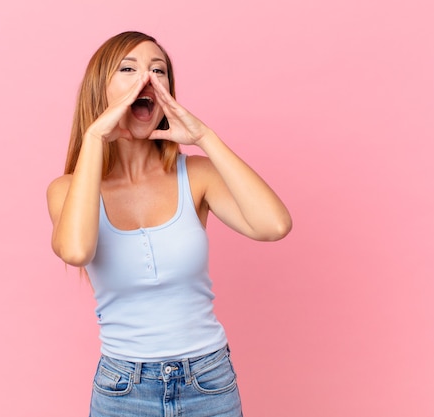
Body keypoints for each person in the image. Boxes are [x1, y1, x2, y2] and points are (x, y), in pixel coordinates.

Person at [47, 31, 292, 417]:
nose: (147, 79)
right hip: (123, 389)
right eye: (129, 68)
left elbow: (274, 225)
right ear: (100, 90)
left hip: (209, 381)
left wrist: (204, 137)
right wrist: (95, 136)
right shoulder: (67, 191)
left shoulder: (196, 175)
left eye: (158, 71)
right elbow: (77, 251)